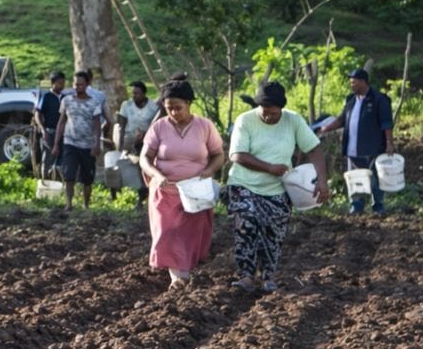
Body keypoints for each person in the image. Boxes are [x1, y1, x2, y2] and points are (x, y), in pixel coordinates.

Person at [226, 81, 330, 293]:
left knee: (273, 233)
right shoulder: (245, 120)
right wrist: (268, 167)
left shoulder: (293, 121)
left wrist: (322, 180)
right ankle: (246, 276)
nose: (268, 117)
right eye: (264, 112)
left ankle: (267, 277)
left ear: (281, 109)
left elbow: (314, 149)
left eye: (273, 113)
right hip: (244, 184)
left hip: (278, 188)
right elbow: (237, 155)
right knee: (247, 224)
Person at [138, 78, 225, 288]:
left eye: (178, 108)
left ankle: (183, 271)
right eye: (169, 109)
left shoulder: (204, 126)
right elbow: (145, 158)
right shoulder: (159, 128)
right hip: (166, 189)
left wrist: (209, 171)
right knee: (167, 231)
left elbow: (218, 155)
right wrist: (156, 175)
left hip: (195, 189)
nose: (174, 113)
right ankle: (177, 276)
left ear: (189, 104)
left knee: (190, 234)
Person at [315, 68, 395, 215]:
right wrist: (325, 128)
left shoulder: (379, 99)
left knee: (375, 178)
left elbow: (386, 123)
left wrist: (389, 143)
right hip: (352, 148)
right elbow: (341, 120)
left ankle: (378, 206)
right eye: (350, 82)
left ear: (363, 82)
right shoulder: (351, 100)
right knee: (355, 177)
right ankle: (356, 206)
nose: (351, 85)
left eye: (354, 82)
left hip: (373, 147)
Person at [51, 70, 103, 211]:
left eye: (81, 84)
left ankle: (86, 204)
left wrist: (97, 144)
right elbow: (61, 122)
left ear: (87, 84)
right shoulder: (66, 101)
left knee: (87, 178)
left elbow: (97, 125)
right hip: (70, 143)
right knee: (69, 175)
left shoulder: (94, 103)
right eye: (75, 84)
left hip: (87, 144)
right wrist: (56, 144)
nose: (78, 87)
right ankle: (69, 203)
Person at [115, 80, 161, 208]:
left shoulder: (152, 106)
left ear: (144, 94)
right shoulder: (127, 105)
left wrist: (146, 134)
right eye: (133, 93)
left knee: (145, 165)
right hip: (131, 140)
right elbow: (122, 124)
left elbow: (156, 124)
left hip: (147, 140)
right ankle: (139, 192)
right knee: (132, 166)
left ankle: (145, 194)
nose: (134, 96)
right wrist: (121, 142)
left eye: (137, 93)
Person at [34, 71, 66, 176]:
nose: (62, 86)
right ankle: (45, 180)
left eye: (63, 83)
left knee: (62, 158)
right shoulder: (46, 97)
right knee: (48, 156)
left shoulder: (64, 98)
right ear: (53, 83)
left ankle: (59, 181)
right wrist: (43, 130)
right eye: (60, 83)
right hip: (49, 132)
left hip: (63, 133)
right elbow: (37, 114)